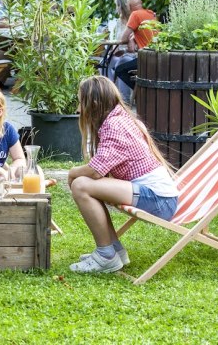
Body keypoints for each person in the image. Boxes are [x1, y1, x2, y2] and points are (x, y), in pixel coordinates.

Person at [67, 76, 178, 273]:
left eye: (80, 102)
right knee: (86, 184)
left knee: (81, 185)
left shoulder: (115, 126)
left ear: (93, 104)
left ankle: (106, 256)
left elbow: (95, 170)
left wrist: (73, 173)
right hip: (157, 196)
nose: (78, 109)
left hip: (159, 200)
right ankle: (114, 250)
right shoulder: (119, 118)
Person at [113, 0, 157, 93]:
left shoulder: (135, 14)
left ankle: (142, 93)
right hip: (157, 57)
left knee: (120, 69)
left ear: (129, 6)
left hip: (146, 59)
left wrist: (131, 39)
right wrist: (134, 38)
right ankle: (143, 92)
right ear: (141, 3)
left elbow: (123, 39)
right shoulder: (151, 14)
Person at [104, 0, 135, 101]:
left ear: (121, 7)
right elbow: (117, 42)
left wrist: (122, 50)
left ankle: (123, 100)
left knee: (119, 64)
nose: (116, 9)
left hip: (133, 55)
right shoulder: (118, 22)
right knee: (106, 63)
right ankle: (110, 95)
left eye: (117, 6)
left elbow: (132, 47)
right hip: (121, 53)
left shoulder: (133, 20)